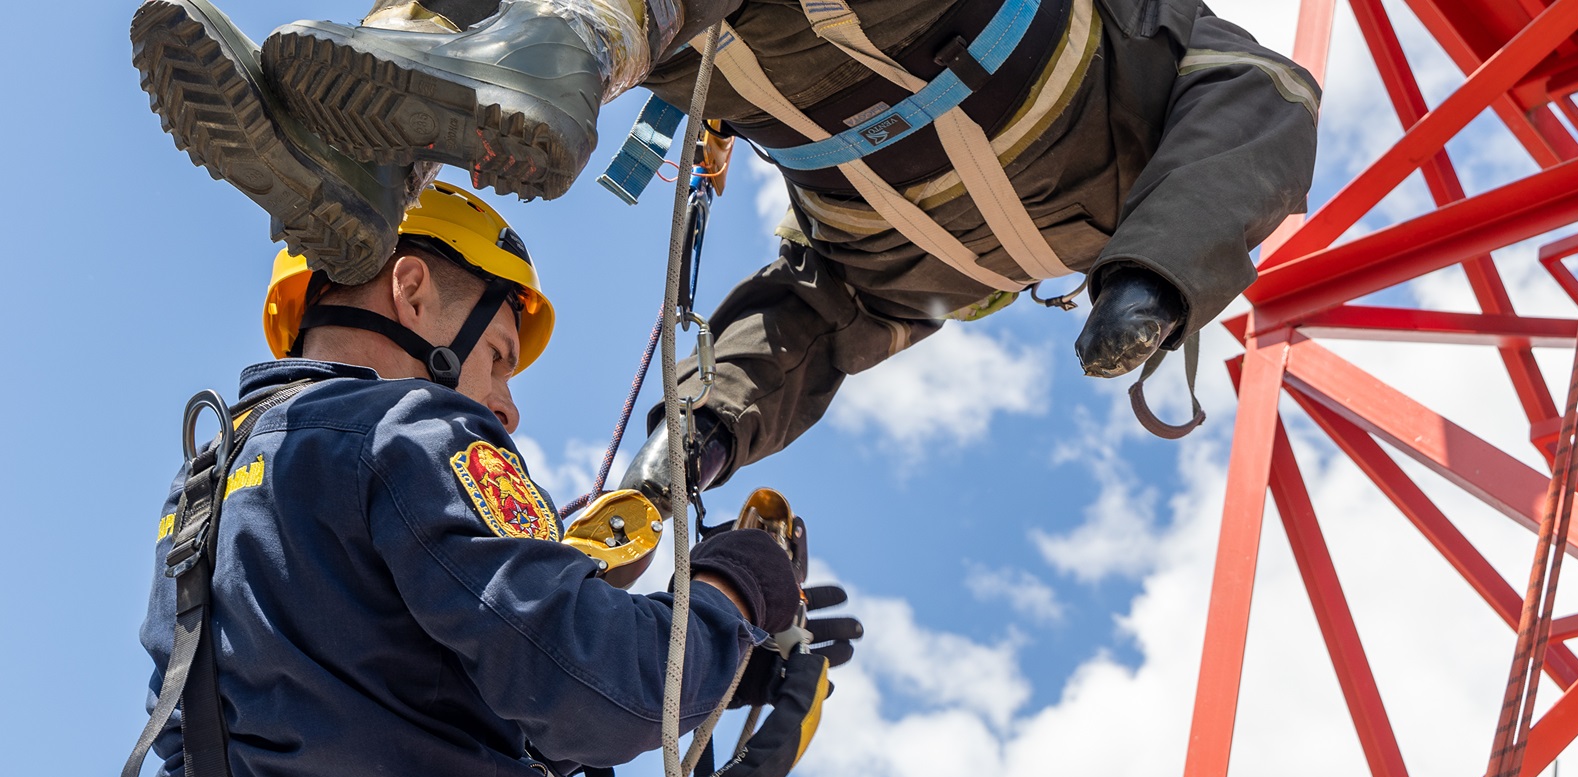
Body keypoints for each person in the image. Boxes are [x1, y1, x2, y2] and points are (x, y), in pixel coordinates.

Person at [131, 0, 1320, 514]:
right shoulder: (910, 264)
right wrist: (691, 442)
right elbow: (810, 321)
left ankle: (530, 66)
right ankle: (365, 166)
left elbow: (1265, 99)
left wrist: (1154, 275)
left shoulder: (909, 271)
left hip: (903, 70)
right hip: (848, 61)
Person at [124, 155, 843, 777]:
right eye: (498, 355)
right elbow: (604, 694)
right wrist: (734, 593)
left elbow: (346, 722)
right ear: (410, 289)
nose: (506, 405)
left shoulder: (199, 496)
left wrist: (726, 669)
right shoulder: (408, 429)